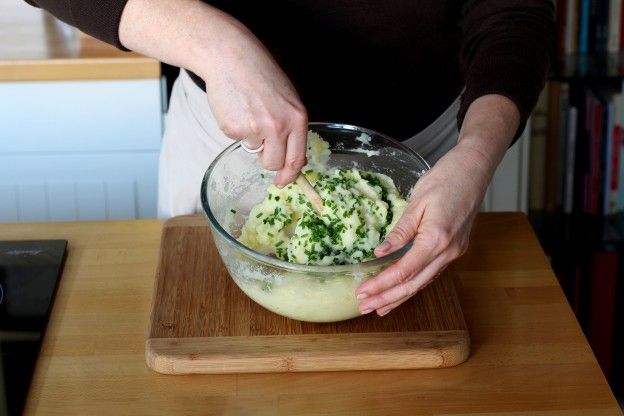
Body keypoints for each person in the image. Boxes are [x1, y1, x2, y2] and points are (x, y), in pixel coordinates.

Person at [25, 0, 556, 317]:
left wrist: (475, 156)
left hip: (429, 154)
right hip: (227, 139)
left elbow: (515, 12)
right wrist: (215, 43)